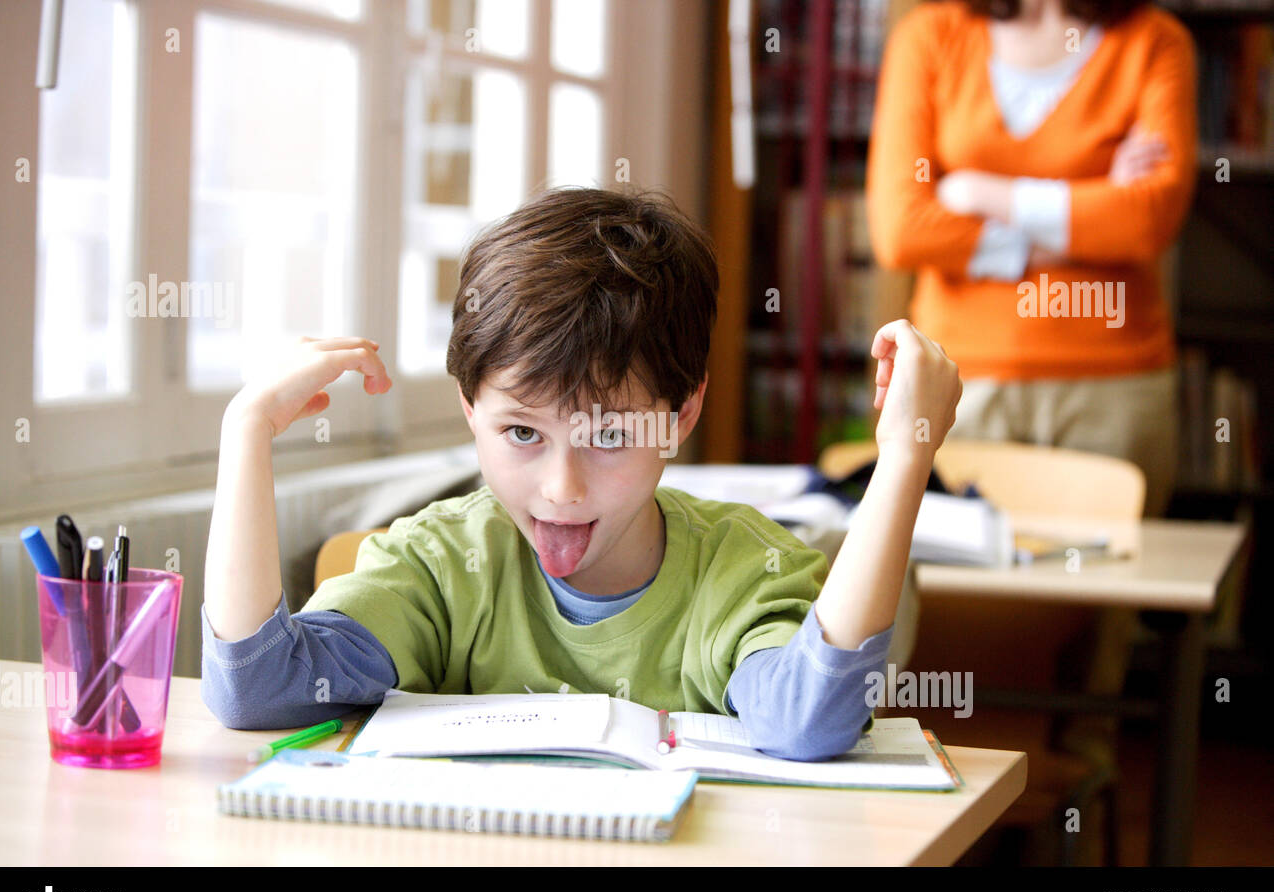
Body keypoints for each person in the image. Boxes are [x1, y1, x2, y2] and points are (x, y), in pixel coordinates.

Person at [200, 187, 961, 761]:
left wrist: (904, 457)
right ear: (470, 408)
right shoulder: (440, 564)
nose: (561, 488)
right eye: (521, 433)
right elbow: (257, 689)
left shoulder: (742, 572)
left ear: (683, 413)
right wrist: (247, 431)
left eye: (610, 436)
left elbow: (807, 722)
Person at [867, 0, 1197, 516]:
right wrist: (1092, 212)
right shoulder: (928, 37)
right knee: (950, 568)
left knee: (1108, 569)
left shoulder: (1154, 40)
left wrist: (975, 192)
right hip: (956, 382)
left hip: (1115, 387)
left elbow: (1147, 220)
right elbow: (902, 230)